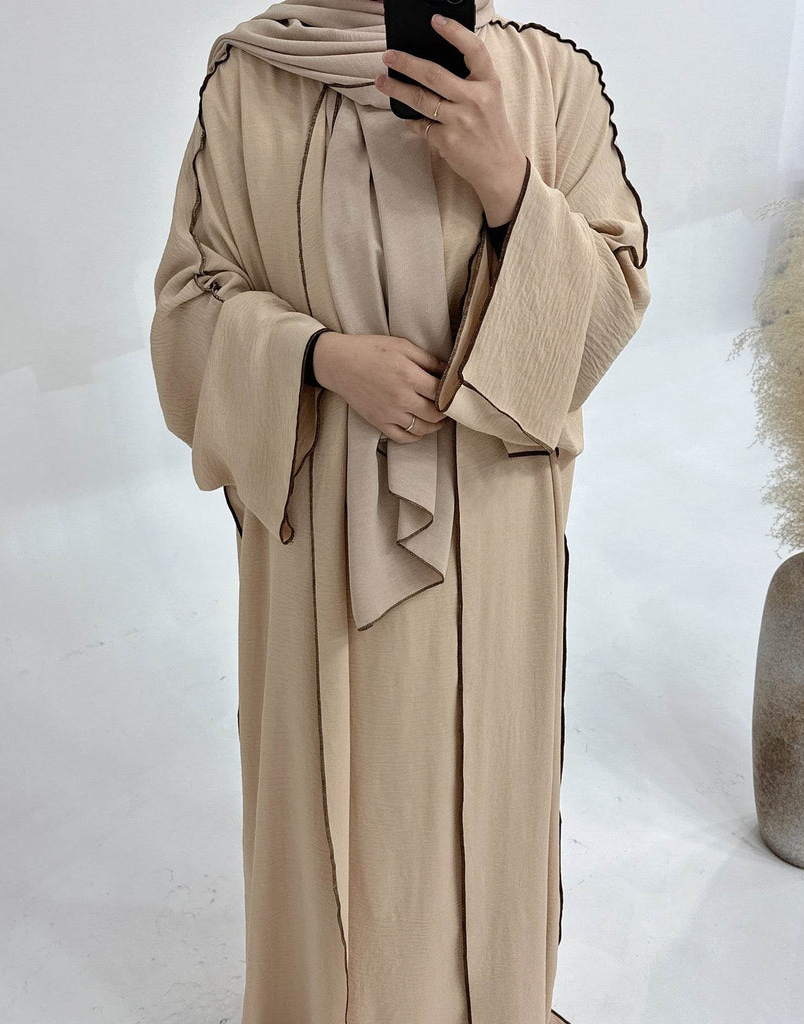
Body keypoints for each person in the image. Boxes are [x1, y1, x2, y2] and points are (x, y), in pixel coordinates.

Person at [149, 1, 650, 1021]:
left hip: (493, 529)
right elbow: (187, 317)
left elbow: (605, 312)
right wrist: (319, 359)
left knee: (486, 784)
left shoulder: (549, 81)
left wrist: (507, 182)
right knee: (335, 803)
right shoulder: (253, 82)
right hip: (322, 533)